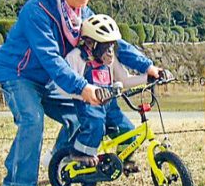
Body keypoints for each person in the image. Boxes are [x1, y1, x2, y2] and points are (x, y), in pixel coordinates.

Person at [0, 0, 160, 186]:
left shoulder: (82, 13)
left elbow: (112, 41)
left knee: (80, 117)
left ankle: (57, 159)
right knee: (32, 120)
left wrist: (147, 66)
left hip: (51, 78)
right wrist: (83, 87)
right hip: (19, 73)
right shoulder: (38, 10)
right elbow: (51, 58)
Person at [62, 14, 149, 169]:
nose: (110, 51)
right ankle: (79, 153)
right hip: (88, 105)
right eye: (105, 46)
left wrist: (148, 77)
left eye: (112, 45)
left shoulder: (109, 60)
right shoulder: (76, 57)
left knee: (128, 130)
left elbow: (124, 79)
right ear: (90, 43)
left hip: (110, 105)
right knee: (96, 125)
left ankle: (124, 160)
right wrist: (85, 92)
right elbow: (65, 85)